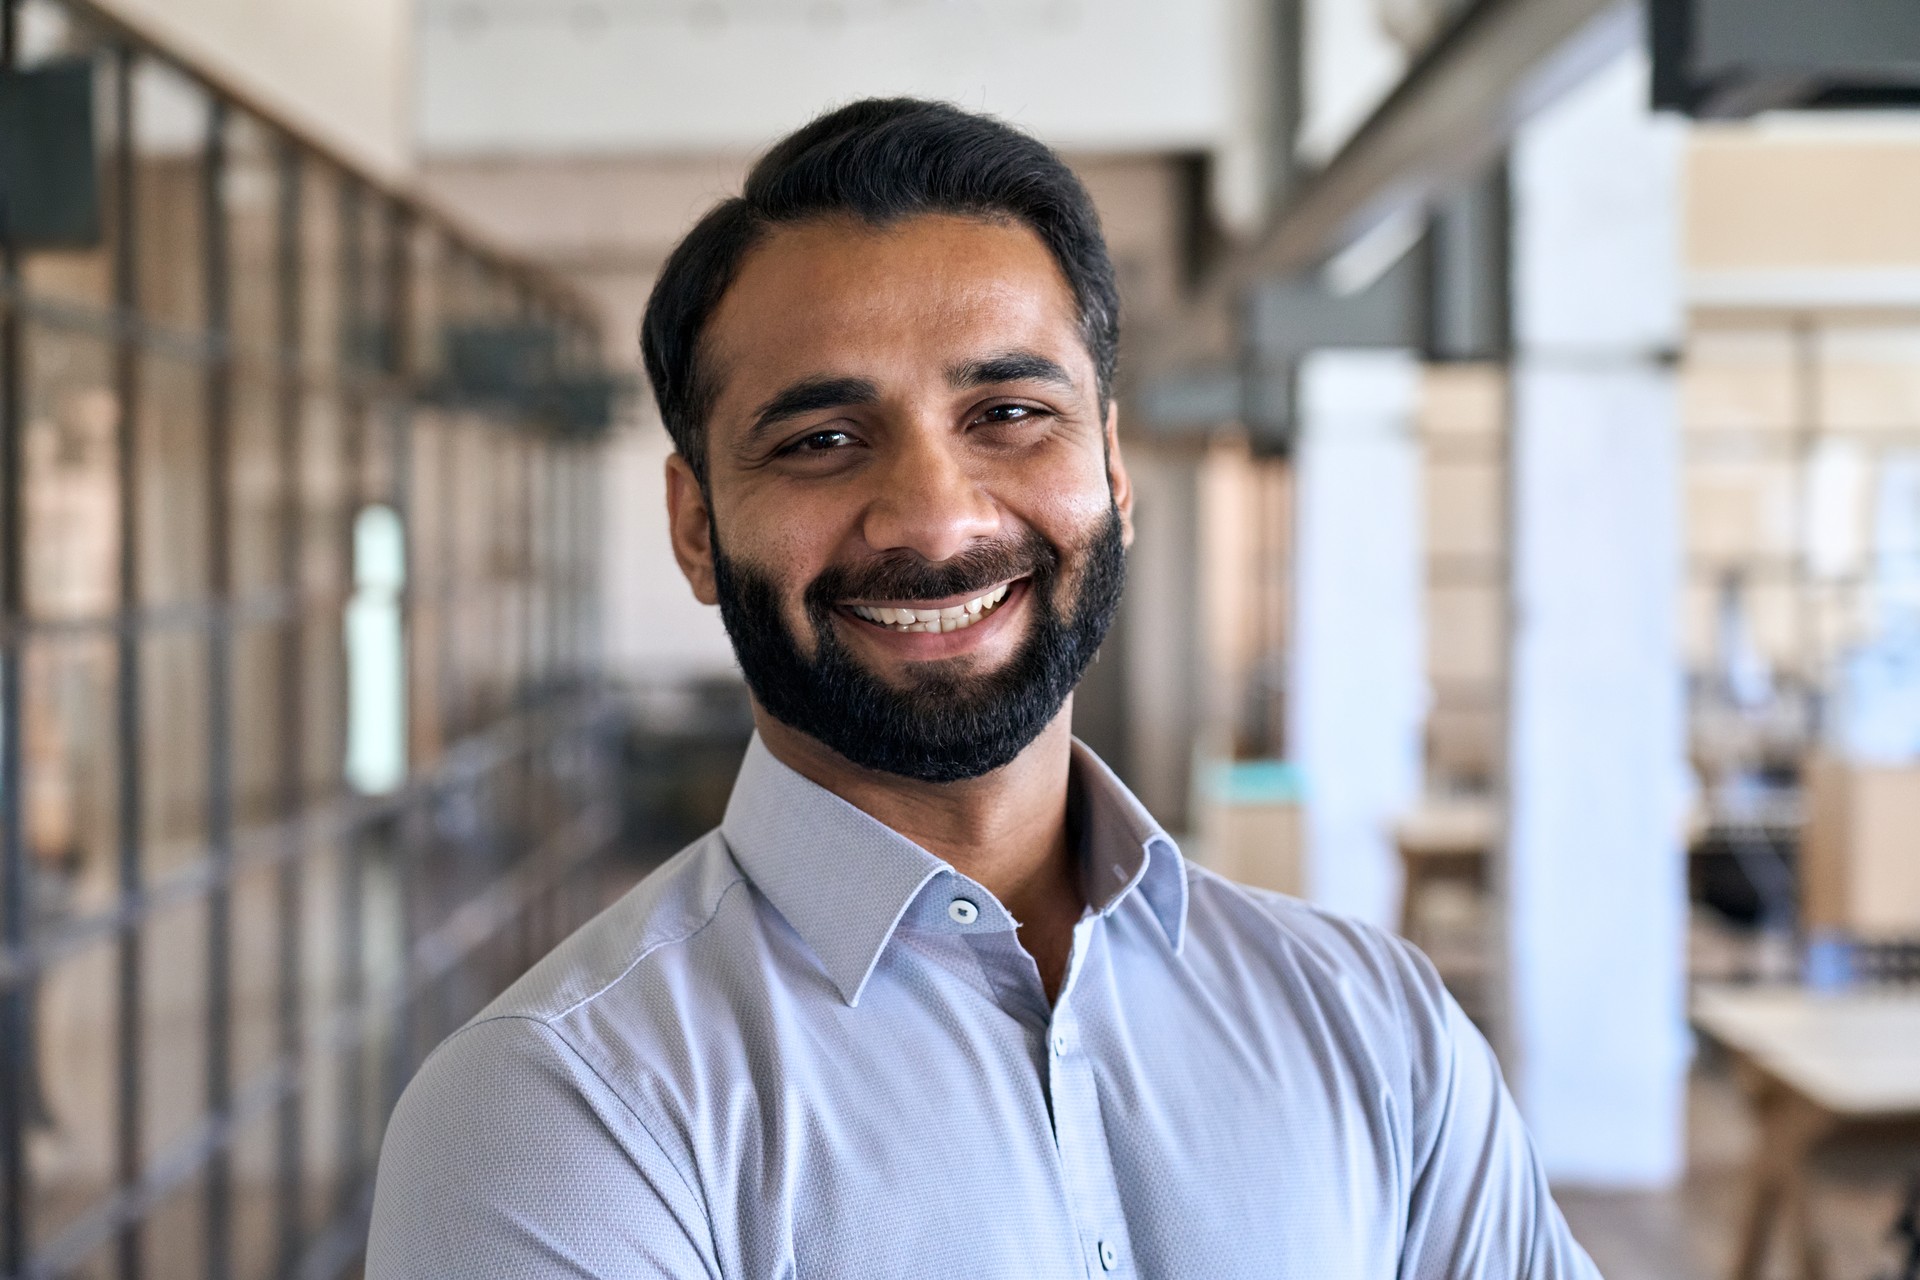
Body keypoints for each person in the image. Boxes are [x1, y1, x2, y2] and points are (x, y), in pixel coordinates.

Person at [367, 98, 1599, 1279]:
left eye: (1008, 411)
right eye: (821, 440)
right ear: (696, 525)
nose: (936, 518)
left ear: (1112, 466)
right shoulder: (561, 1112)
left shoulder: (1376, 1027)